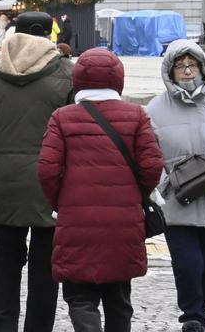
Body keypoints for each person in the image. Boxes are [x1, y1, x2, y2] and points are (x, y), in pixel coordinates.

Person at [0, 11, 74, 332]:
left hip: (5, 184)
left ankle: (4, 326)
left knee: (6, 265)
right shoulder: (66, 72)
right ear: (48, 34)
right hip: (52, 187)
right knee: (45, 269)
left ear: (14, 32)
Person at [38, 48, 164, 332]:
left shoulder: (62, 117)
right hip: (123, 223)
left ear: (78, 80)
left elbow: (47, 169)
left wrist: (61, 201)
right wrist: (134, 193)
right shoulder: (136, 116)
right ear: (118, 79)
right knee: (118, 298)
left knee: (80, 297)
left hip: (76, 221)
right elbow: (152, 166)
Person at [146, 40, 205, 332]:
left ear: (202, 67)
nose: (187, 71)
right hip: (177, 202)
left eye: (192, 65)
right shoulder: (154, 109)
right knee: (188, 265)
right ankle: (192, 317)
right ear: (170, 71)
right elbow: (147, 153)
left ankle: (200, 308)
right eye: (180, 66)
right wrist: (162, 182)